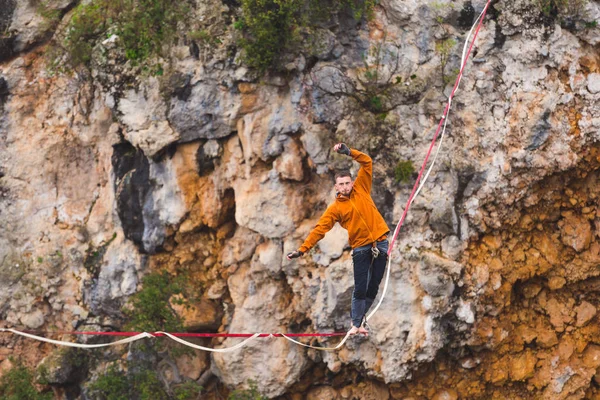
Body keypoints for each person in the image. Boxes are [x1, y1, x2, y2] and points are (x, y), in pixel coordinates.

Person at [287, 143, 390, 336]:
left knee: (373, 286)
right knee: (360, 287)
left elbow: (367, 162)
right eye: (341, 184)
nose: (345, 187)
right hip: (361, 248)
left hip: (380, 242)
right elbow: (320, 229)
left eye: (347, 183)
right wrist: (303, 249)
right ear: (336, 187)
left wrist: (349, 152)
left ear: (352, 183)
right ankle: (355, 323)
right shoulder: (335, 208)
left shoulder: (362, 188)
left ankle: (360, 321)